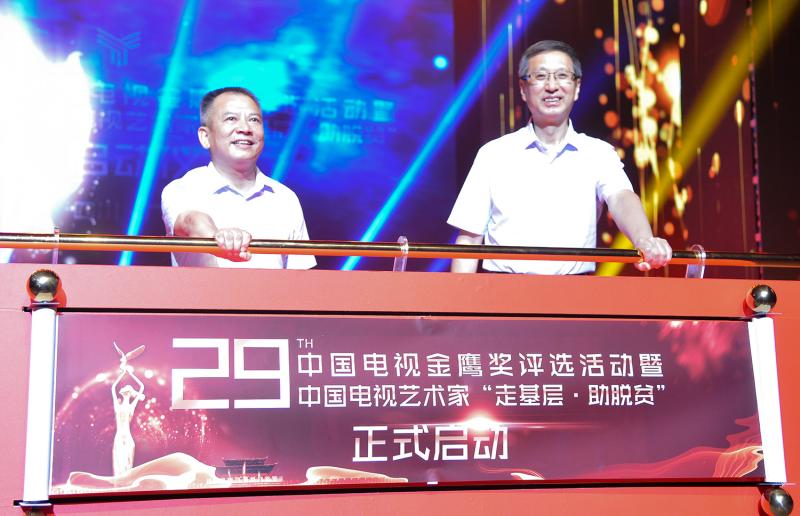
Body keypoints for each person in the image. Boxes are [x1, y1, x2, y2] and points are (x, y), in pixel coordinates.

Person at [448, 40, 671, 275]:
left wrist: (643, 239)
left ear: (577, 88)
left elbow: (621, 198)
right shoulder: (494, 154)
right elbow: (469, 241)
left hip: (576, 291)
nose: (552, 86)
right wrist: (458, 297)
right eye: (540, 76)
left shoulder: (598, 153)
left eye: (562, 76)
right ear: (523, 89)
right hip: (504, 289)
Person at [161, 87, 316, 269]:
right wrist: (217, 238)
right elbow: (190, 221)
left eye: (254, 120)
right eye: (231, 119)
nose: (245, 128)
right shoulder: (183, 188)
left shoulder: (285, 198)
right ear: (205, 137)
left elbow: (301, 276)